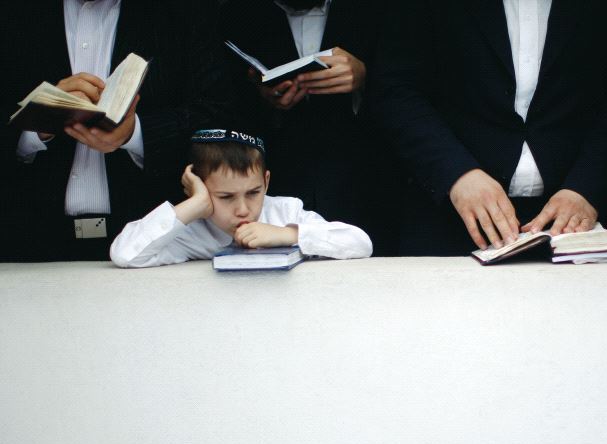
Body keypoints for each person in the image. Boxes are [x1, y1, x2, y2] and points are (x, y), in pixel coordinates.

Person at [369, 1, 607, 255]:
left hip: (582, 221)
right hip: (449, 216)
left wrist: (587, 187)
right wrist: (457, 175)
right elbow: (397, 88)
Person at [2, 0, 232, 262]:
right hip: (27, 242)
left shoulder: (181, 12)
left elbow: (220, 117)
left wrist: (136, 134)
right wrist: (37, 124)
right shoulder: (13, 14)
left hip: (152, 242)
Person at [219, 0, 399, 255]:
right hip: (278, 182)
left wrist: (363, 78)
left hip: (366, 183)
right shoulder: (238, 14)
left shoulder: (375, 10)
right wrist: (261, 97)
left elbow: (408, 85)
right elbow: (221, 98)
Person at [110, 129, 372, 267]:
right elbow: (126, 255)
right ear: (197, 188)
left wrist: (288, 236)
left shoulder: (285, 213)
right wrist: (193, 206)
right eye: (225, 197)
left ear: (266, 181)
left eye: (254, 192)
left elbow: (360, 244)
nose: (243, 209)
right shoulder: (189, 232)